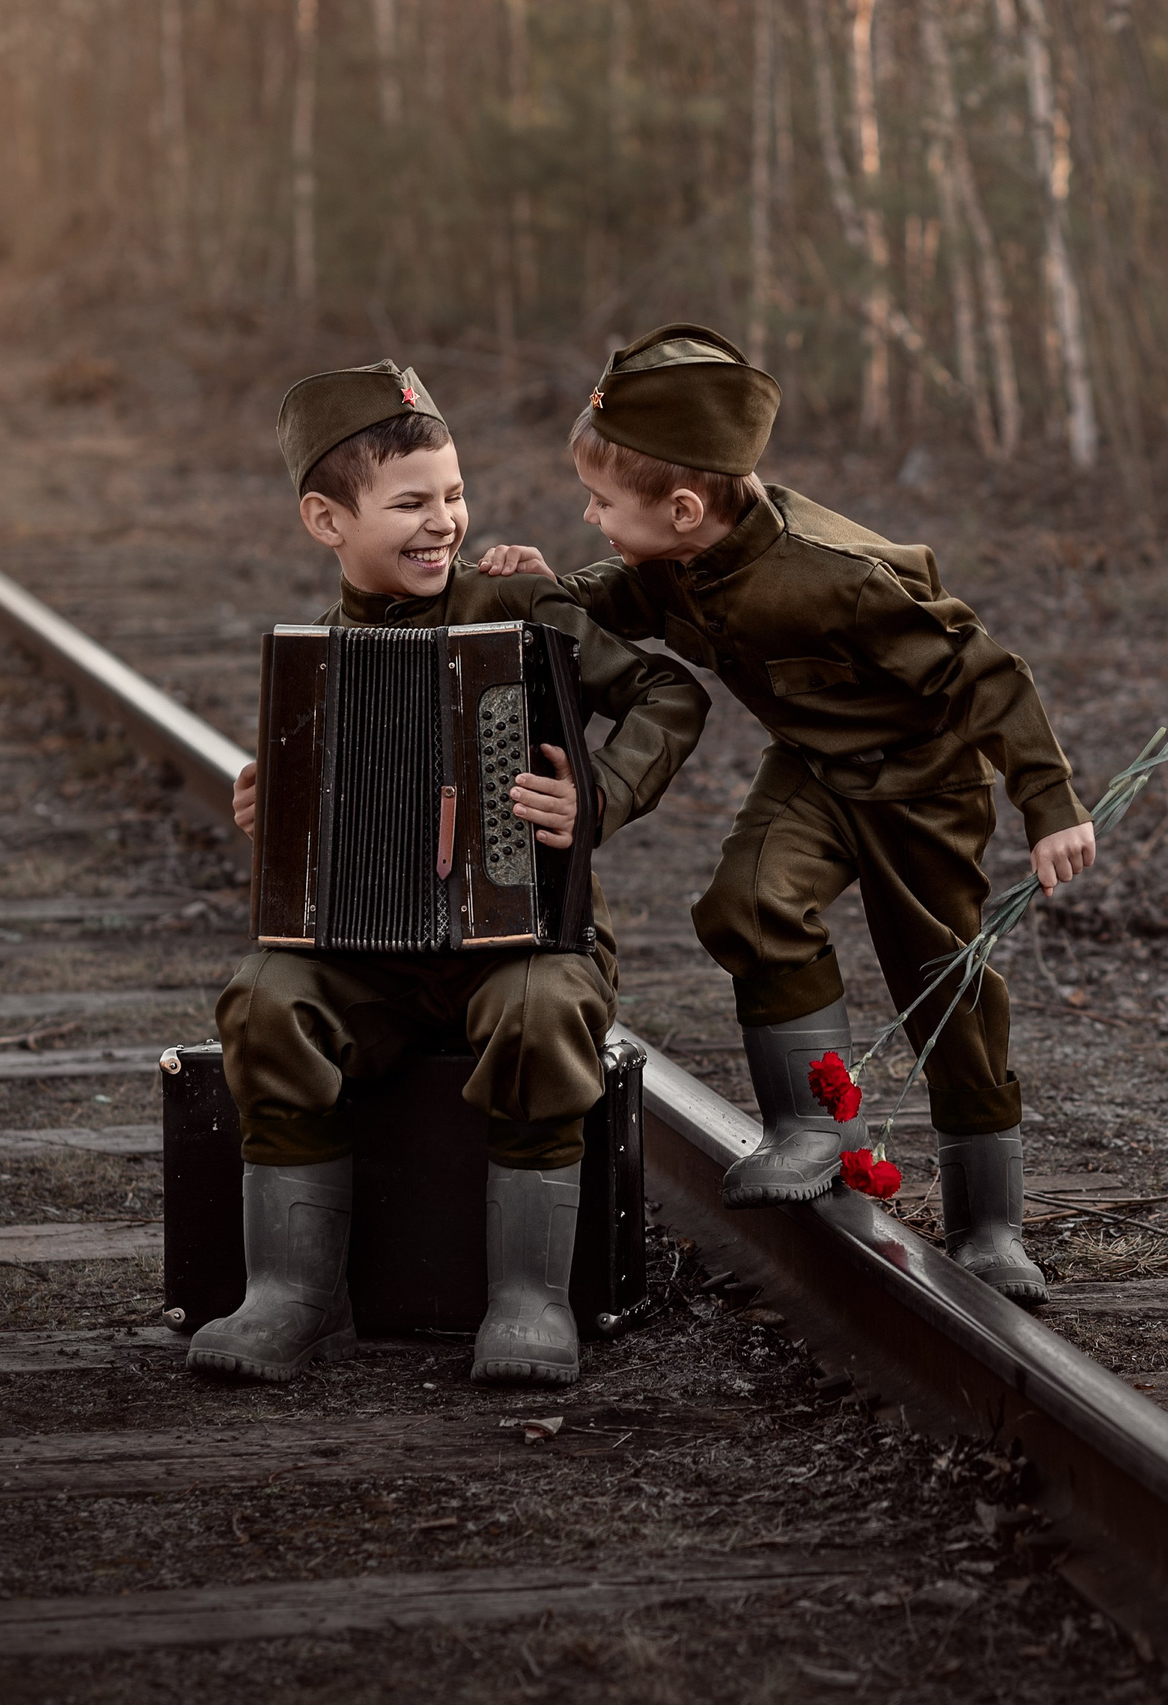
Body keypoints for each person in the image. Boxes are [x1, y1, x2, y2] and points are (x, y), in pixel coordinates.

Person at [477, 325, 1093, 1307]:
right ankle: (816, 1124)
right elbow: (616, 596)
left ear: (682, 508)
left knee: (946, 989)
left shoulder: (838, 577)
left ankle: (990, 1222)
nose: (588, 517)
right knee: (747, 901)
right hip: (813, 774)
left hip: (925, 791)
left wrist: (1048, 806)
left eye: (599, 504)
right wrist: (538, 586)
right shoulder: (676, 554)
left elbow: (987, 673)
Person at [195, 360, 708, 1386]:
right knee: (264, 998)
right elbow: (316, 841)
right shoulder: (315, 660)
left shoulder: (516, 602)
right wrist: (272, 813)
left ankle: (526, 1297)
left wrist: (595, 796)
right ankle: (294, 1294)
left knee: (537, 1008)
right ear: (325, 521)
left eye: (455, 494)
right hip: (369, 961)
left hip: (524, 941)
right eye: (411, 503)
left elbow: (665, 692)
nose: (445, 522)